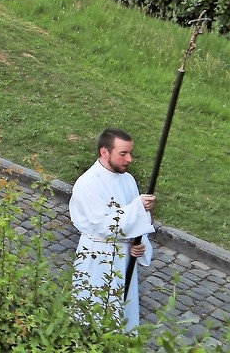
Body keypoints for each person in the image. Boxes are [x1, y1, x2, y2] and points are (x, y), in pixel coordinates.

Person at [70, 128, 156, 331]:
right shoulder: (88, 183)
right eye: (123, 154)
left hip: (124, 256)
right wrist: (138, 207)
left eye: (130, 153)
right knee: (94, 308)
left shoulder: (128, 180)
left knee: (122, 310)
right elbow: (104, 225)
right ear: (104, 152)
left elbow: (136, 224)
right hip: (97, 255)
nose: (130, 159)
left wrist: (139, 244)